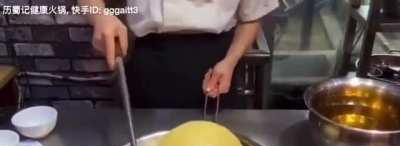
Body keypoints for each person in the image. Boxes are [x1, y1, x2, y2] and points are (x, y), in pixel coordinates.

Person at [80, 0, 279, 108]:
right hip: (149, 58)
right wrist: (100, 16)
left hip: (218, 63)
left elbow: (252, 16)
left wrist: (230, 61)